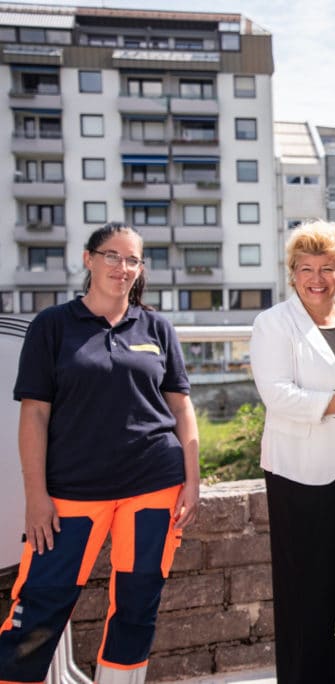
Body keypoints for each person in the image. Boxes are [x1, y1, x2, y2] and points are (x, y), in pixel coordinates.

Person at [0, 222, 199, 683]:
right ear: (88, 259)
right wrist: (36, 497)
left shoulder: (156, 327)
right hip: (71, 491)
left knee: (137, 603)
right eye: (112, 255)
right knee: (39, 606)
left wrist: (193, 481)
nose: (122, 267)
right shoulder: (53, 326)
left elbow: (181, 408)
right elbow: (34, 415)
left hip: (154, 485)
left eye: (132, 259)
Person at [250, 220, 335, 684]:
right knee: (310, 591)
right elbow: (278, 395)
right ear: (292, 274)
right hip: (303, 477)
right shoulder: (273, 323)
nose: (316, 278)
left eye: (328, 267)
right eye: (305, 268)